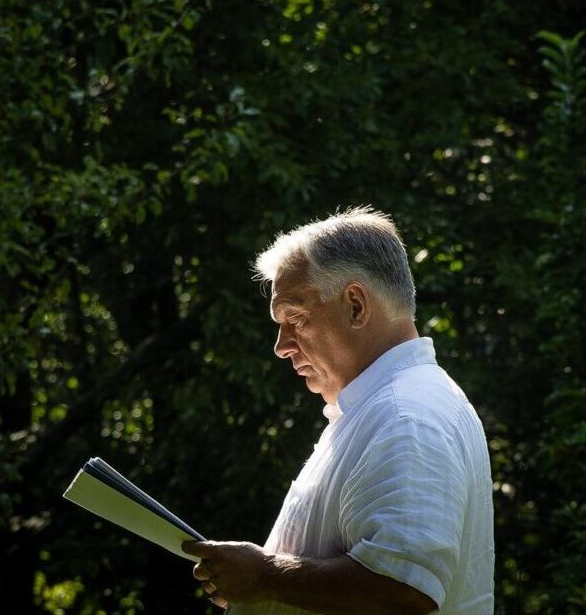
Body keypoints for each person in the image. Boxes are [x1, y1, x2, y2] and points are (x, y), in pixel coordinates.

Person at [182, 207, 493, 614]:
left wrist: (265, 577)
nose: (281, 346)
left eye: (295, 317)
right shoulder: (380, 410)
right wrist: (260, 590)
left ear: (356, 306)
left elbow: (401, 591)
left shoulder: (406, 415)